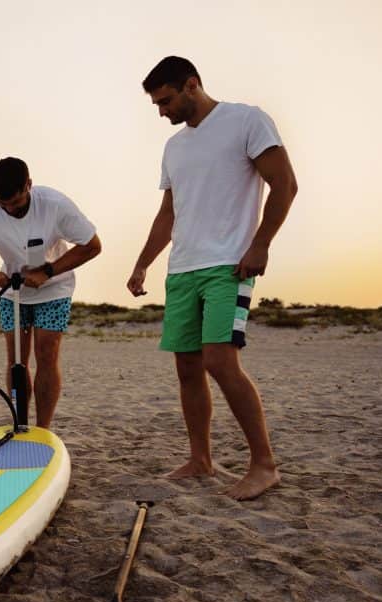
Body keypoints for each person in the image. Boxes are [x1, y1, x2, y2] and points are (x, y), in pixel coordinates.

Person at [127, 56, 298, 500]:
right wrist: (144, 262)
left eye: (165, 101)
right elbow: (169, 213)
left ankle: (264, 464)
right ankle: (201, 459)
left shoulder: (247, 120)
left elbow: (285, 184)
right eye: (156, 105)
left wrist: (261, 244)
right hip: (182, 268)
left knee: (219, 362)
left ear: (191, 85)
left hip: (228, 264)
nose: (161, 112)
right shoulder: (174, 148)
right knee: (187, 367)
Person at [0, 157, 102, 429]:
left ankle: (42, 429)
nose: (9, 210)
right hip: (13, 290)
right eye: (2, 205)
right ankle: (20, 424)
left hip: (55, 287)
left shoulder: (55, 205)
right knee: (16, 358)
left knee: (46, 353)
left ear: (29, 185)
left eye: (16, 203)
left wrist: (48, 272)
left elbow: (92, 245)